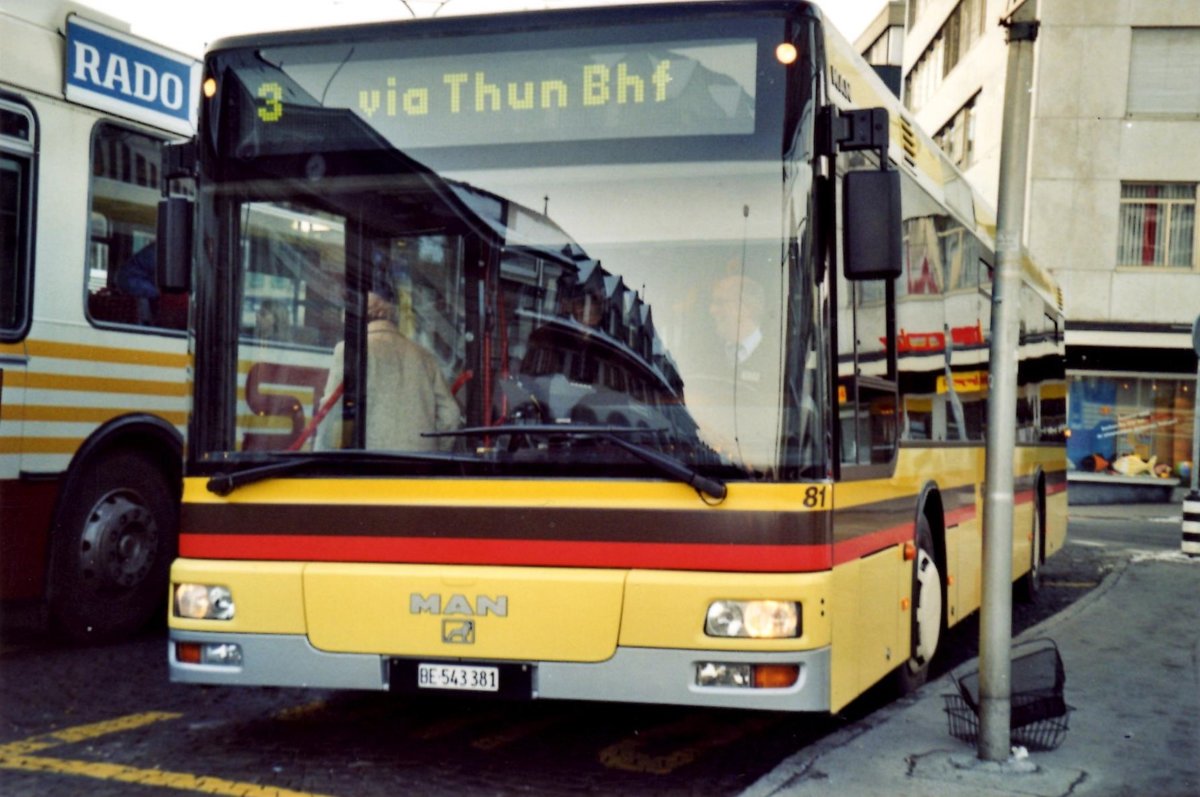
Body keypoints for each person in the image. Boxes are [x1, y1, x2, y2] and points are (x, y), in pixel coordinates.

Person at [318, 287, 461, 452]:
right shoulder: (425, 356)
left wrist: (321, 453)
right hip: (420, 467)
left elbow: (329, 411)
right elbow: (451, 415)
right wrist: (435, 452)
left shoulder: (348, 350)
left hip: (370, 464)